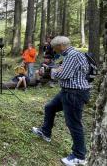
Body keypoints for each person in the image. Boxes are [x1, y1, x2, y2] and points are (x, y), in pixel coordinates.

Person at [32, 36, 90, 166]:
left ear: (61, 46)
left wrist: (52, 71)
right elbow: (61, 70)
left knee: (74, 124)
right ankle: (45, 132)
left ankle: (79, 156)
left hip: (74, 93)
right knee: (50, 107)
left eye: (54, 47)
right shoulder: (69, 54)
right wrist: (57, 70)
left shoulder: (72, 55)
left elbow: (63, 75)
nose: (53, 50)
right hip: (67, 91)